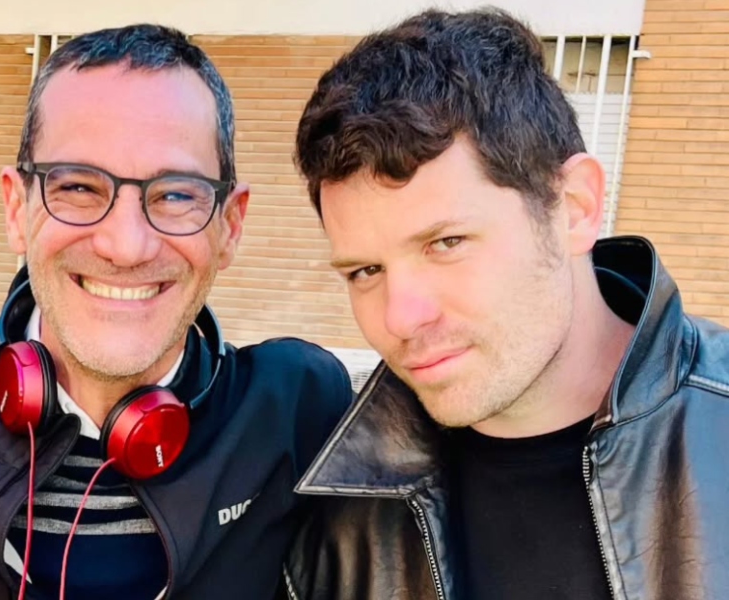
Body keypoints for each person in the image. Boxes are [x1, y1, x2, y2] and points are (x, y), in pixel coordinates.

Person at [0, 23, 355, 600]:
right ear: (16, 209)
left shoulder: (299, 413)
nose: (126, 246)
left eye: (176, 194)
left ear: (230, 226)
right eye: (79, 188)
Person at [285, 7, 729, 600]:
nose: (401, 318)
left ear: (575, 207)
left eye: (446, 243)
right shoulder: (340, 519)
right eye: (366, 271)